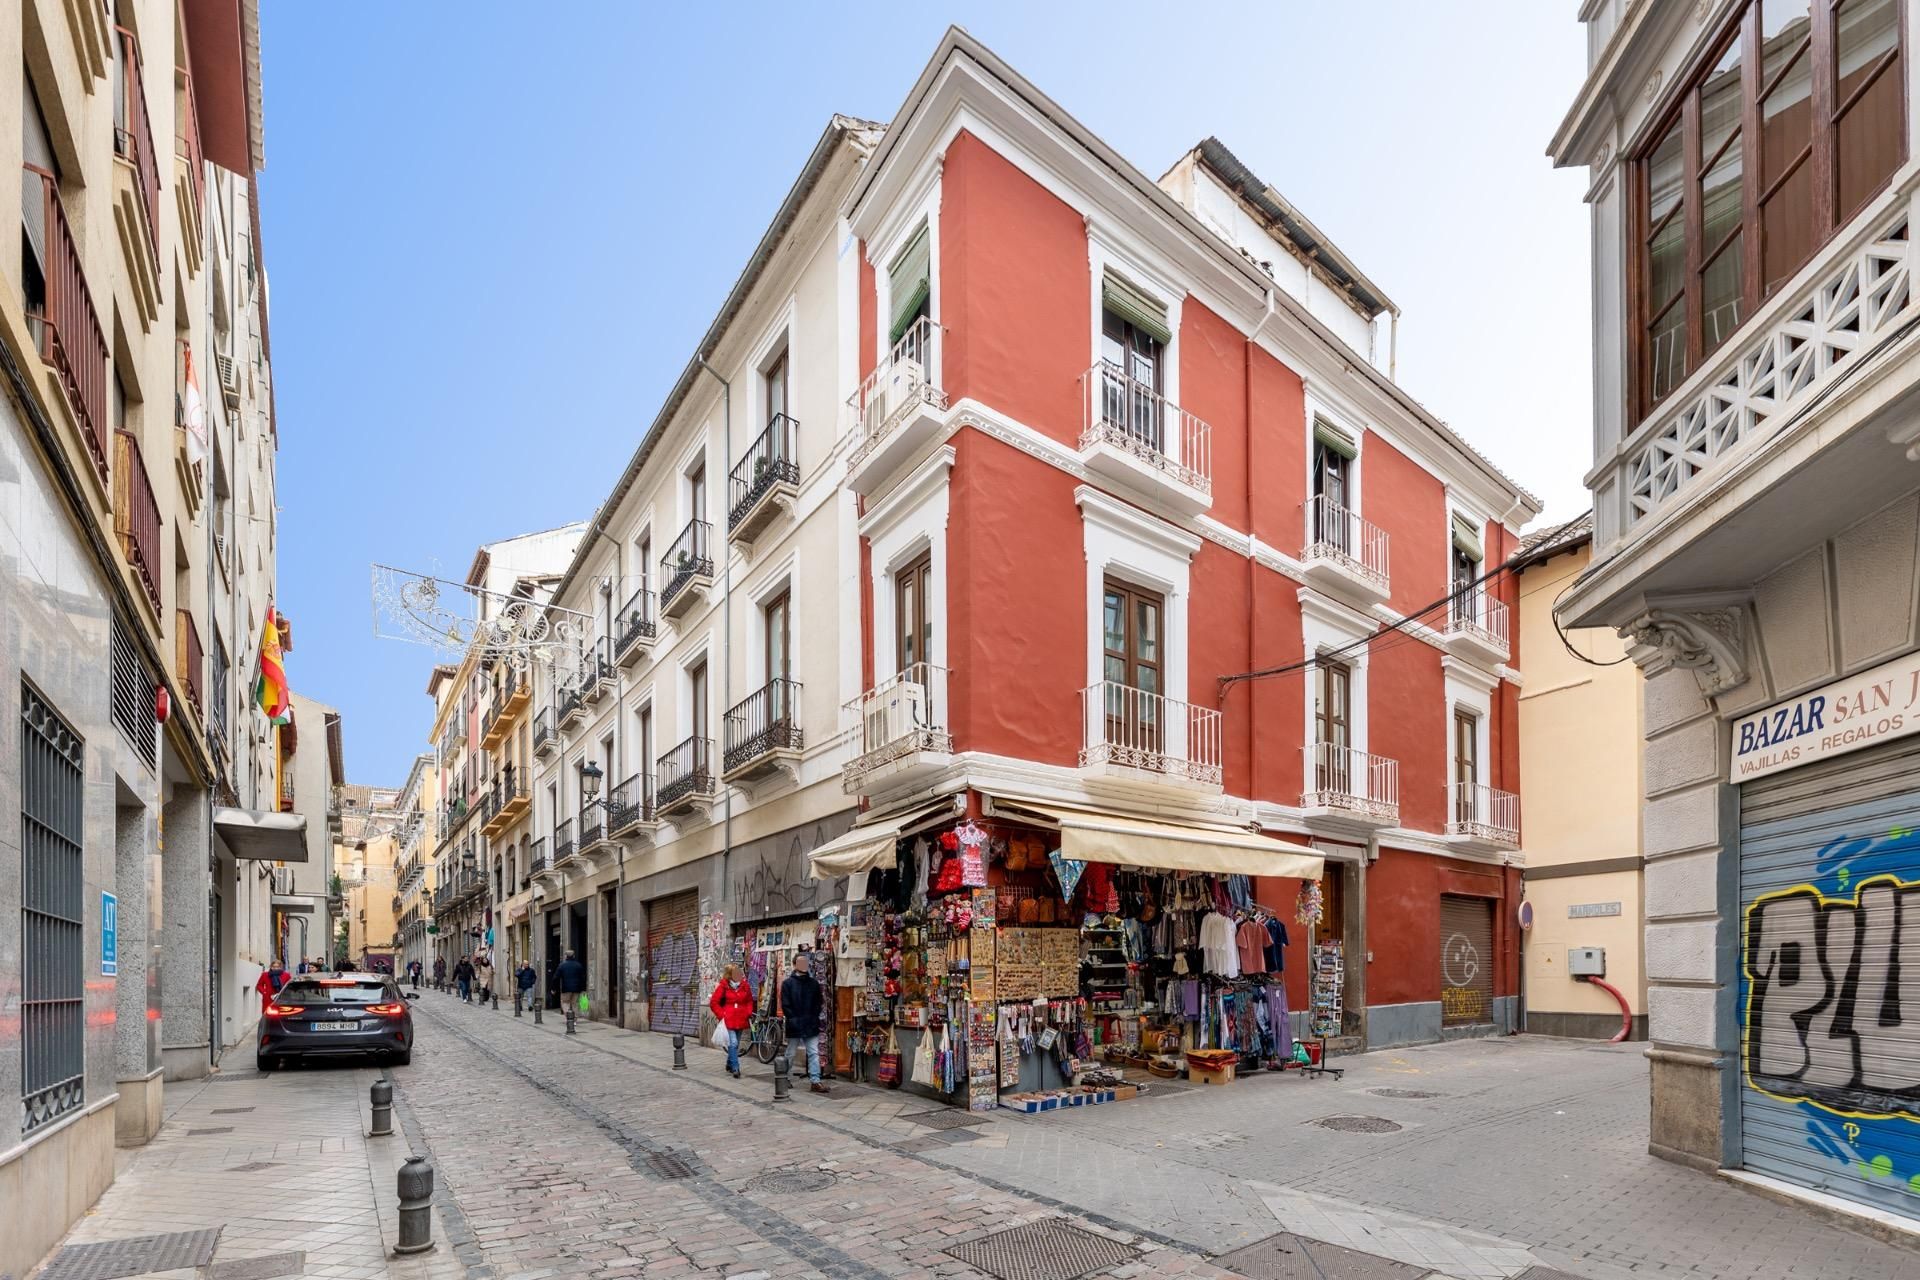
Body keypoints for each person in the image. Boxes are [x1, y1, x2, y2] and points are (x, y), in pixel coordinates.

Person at [779, 949, 830, 1094]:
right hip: (795, 1023)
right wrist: (793, 1018)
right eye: (801, 962)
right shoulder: (788, 984)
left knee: (813, 1052)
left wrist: (814, 1016)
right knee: (790, 1053)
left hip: (810, 1022)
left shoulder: (813, 983)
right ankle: (785, 1077)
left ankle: (815, 1080)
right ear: (795, 965)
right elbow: (785, 1004)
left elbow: (818, 1002)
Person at [708, 963, 755, 1078]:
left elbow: (749, 1000)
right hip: (728, 1019)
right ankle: (735, 1067)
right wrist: (722, 1014)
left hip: (741, 1018)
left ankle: (729, 1063)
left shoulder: (745, 986)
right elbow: (714, 1002)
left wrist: (749, 1012)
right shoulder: (723, 986)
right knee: (733, 1043)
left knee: (735, 1044)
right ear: (730, 975)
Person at [556, 949, 587, 1032]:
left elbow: (556, 977)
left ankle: (569, 1018)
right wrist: (583, 988)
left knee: (565, 1002)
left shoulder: (562, 965)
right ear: (573, 956)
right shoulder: (578, 965)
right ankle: (575, 1020)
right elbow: (583, 977)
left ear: (566, 956)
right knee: (575, 1004)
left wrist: (553, 988)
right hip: (577, 988)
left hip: (566, 988)